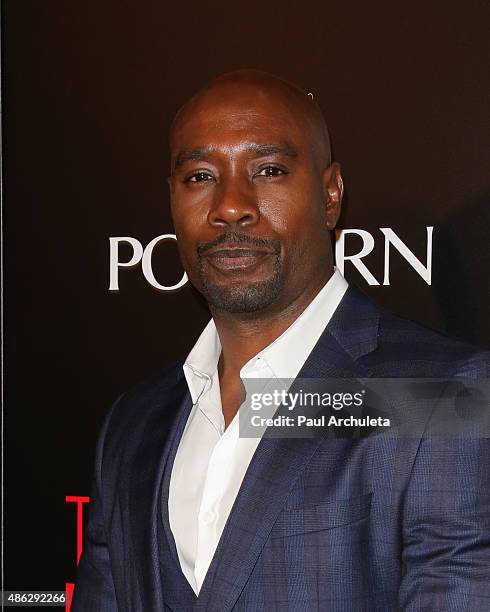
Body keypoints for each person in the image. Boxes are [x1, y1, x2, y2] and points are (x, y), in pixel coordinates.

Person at [72, 70, 490, 611]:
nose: (229, 205)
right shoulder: (135, 422)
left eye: (268, 170)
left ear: (331, 193)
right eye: (199, 177)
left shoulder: (441, 395)